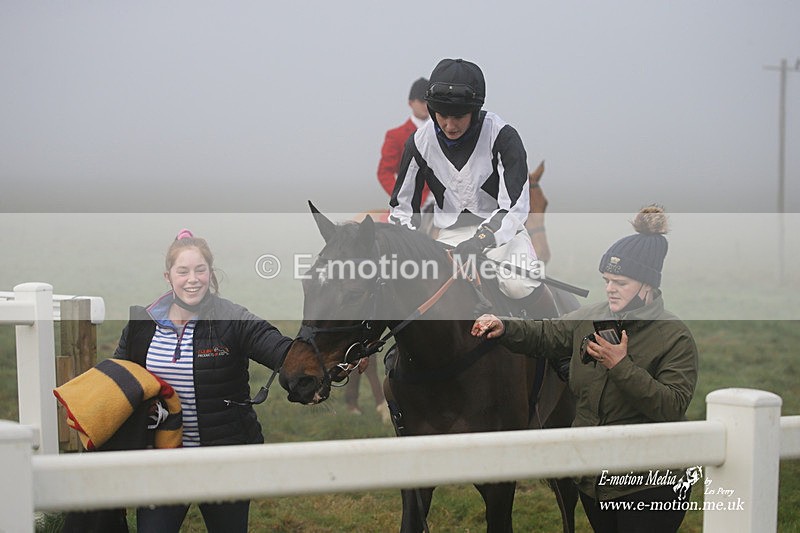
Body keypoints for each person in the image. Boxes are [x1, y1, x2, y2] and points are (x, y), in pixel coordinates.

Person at [471, 206, 698, 533]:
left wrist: (620, 365)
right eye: (607, 280)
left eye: (620, 282)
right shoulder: (589, 317)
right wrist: (504, 326)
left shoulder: (674, 337)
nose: (610, 289)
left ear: (648, 285)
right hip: (596, 483)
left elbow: (671, 407)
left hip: (651, 486)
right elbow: (546, 334)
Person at [113, 229, 293, 533]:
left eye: (200, 270)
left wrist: (323, 361)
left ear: (211, 273)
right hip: (163, 462)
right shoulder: (143, 325)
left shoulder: (231, 319)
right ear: (168, 277)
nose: (192, 279)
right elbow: (119, 380)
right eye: (183, 271)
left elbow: (279, 349)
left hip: (224, 461)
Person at [389, 58, 539, 300]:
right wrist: (415, 247)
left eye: (459, 116)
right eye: (442, 115)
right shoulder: (418, 143)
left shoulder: (503, 137)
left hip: (503, 237)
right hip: (447, 241)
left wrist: (481, 240)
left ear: (475, 110)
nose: (449, 125)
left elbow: (515, 207)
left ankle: (549, 333)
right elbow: (401, 210)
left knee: (517, 286)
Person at [377, 76, 431, 203]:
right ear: (410, 102)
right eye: (421, 101)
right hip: (415, 204)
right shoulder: (395, 136)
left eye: (428, 101)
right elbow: (384, 172)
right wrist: (400, 197)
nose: (425, 105)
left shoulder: (446, 131)